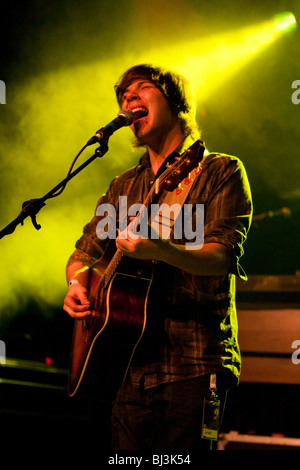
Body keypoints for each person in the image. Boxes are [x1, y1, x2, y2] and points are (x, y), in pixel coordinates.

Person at [63, 64, 252, 451]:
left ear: (177, 103)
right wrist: (75, 284)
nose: (129, 100)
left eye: (141, 89)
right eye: (124, 96)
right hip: (128, 366)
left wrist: (160, 250)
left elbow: (221, 257)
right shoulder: (124, 185)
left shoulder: (219, 171)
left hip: (195, 364)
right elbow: (83, 255)